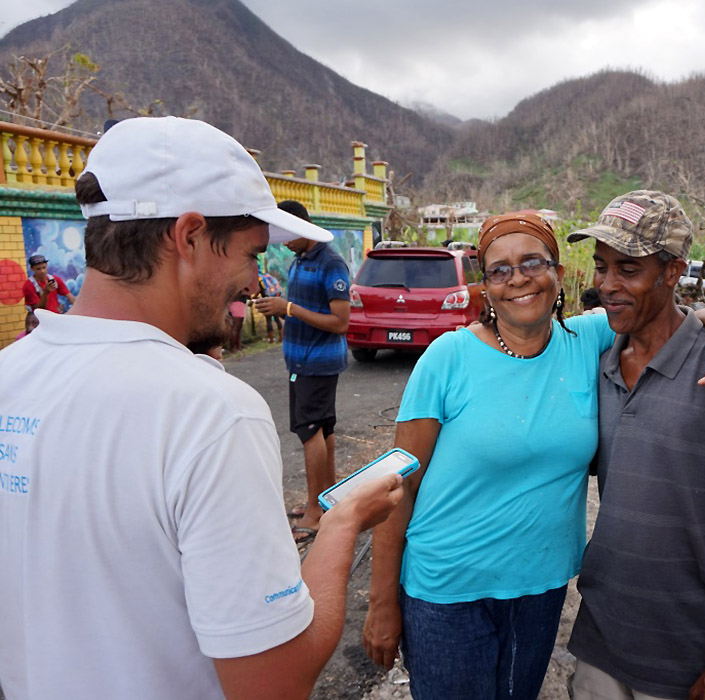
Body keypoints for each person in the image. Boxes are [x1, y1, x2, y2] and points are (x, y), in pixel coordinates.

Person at [0, 116, 403, 700]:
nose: (253, 282)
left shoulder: (11, 374)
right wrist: (342, 523)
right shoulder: (211, 413)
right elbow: (275, 684)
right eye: (250, 255)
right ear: (188, 235)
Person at [363, 212, 705, 699]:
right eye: (500, 270)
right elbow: (398, 484)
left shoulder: (588, 340)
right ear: (485, 286)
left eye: (532, 262)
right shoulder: (448, 357)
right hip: (447, 591)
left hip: (540, 587)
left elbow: (671, 317)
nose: (518, 279)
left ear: (558, 272)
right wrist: (381, 601)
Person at [566, 191, 705, 700]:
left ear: (671, 272)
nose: (607, 285)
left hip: (690, 655)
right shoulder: (599, 363)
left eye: (628, 269)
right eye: (601, 267)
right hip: (601, 638)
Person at [253, 200, 351, 545]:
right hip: (300, 361)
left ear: (300, 227)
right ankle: (328, 497)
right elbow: (305, 310)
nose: (283, 243)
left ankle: (314, 512)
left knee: (310, 430)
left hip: (317, 362)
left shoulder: (331, 263)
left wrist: (290, 308)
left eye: (285, 235)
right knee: (323, 429)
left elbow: (340, 322)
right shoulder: (300, 260)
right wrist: (280, 309)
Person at [259, 265, 285, 343]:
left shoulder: (259, 279)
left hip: (266, 299)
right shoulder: (267, 276)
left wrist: (254, 297)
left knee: (268, 320)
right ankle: (281, 337)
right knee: (277, 319)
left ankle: (271, 339)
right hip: (274, 298)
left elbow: (259, 290)